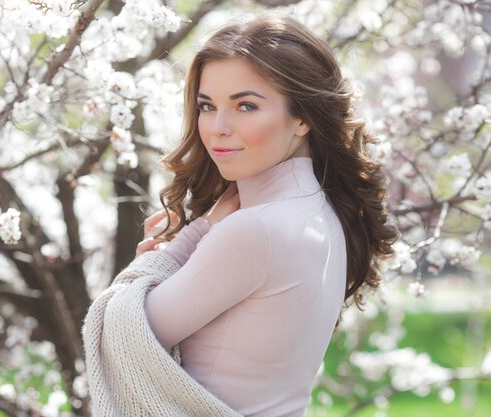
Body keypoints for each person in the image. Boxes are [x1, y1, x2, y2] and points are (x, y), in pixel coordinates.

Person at [82, 13, 398, 417]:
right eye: (207, 106)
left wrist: (173, 249)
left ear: (302, 116)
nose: (218, 128)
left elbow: (119, 337)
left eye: (246, 106)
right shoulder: (321, 212)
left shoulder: (255, 229)